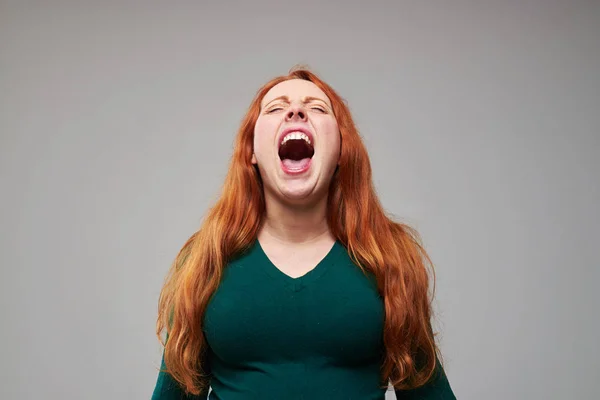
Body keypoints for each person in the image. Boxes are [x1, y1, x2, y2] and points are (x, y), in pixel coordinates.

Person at [151, 66, 456, 399]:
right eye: (276, 108)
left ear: (341, 149)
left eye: (317, 108)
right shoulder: (205, 259)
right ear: (251, 151)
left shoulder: (390, 257)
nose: (295, 111)